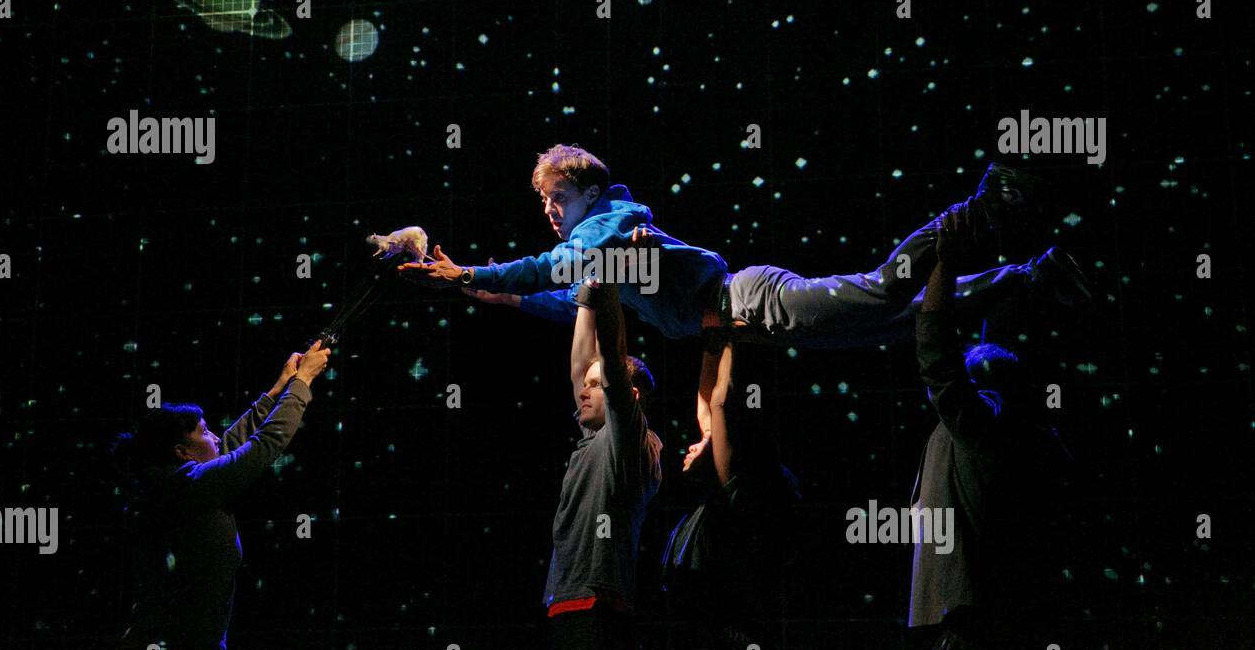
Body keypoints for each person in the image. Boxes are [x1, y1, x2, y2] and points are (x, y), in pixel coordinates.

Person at [393, 144, 1089, 458]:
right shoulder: (598, 255)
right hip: (748, 324)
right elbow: (559, 298)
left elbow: (558, 267)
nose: (549, 210)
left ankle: (980, 203)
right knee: (902, 321)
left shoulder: (608, 219)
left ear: (587, 193)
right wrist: (476, 287)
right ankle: (1031, 275)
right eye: (544, 202)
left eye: (556, 198)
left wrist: (473, 275)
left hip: (748, 299)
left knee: (884, 289)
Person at [907, 208, 1072, 650]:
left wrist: (947, 263)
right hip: (979, 625)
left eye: (972, 373)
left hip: (980, 634)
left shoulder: (985, 430)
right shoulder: (996, 436)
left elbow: (936, 350)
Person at [111, 340, 330, 650]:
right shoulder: (189, 487)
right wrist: (303, 383)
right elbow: (262, 446)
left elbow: (227, 446)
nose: (215, 435)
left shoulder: (180, 483)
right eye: (204, 431)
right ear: (183, 452)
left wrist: (278, 388)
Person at [543, 278, 663, 650]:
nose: (583, 391)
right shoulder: (593, 440)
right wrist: (585, 297)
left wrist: (606, 284)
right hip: (571, 610)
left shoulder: (628, 442)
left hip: (597, 612)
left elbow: (610, 358)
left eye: (595, 387)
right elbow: (582, 364)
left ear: (624, 394)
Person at [662, 332, 800, 650]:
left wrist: (730, 337)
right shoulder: (720, 498)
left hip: (737, 649)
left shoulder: (736, 498)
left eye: (703, 443)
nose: (692, 446)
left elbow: (721, 403)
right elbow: (709, 409)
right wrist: (713, 339)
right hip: (720, 645)